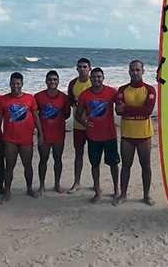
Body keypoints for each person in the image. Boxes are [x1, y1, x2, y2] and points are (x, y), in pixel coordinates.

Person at [0, 72, 44, 203]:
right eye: (13, 84)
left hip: (26, 138)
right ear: (9, 84)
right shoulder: (3, 100)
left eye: (18, 84)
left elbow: (36, 116)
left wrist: (41, 133)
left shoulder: (30, 99)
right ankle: (7, 191)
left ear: (22, 84)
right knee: (9, 166)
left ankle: (29, 188)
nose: (15, 86)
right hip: (9, 139)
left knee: (28, 165)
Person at [113, 60, 156, 207]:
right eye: (132, 70)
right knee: (126, 166)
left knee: (146, 166)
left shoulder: (150, 90)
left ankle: (146, 195)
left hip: (144, 134)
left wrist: (128, 108)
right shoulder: (122, 90)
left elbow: (148, 111)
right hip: (127, 135)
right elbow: (119, 110)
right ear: (129, 72)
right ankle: (123, 195)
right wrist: (134, 109)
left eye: (138, 70)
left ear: (143, 71)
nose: (135, 72)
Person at [75, 67, 120, 203]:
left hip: (110, 135)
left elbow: (120, 107)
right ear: (91, 78)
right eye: (94, 77)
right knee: (95, 164)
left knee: (114, 164)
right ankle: (97, 191)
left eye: (99, 77)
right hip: (93, 136)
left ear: (103, 78)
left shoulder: (112, 92)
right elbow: (78, 114)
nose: (96, 79)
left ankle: (116, 189)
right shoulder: (84, 95)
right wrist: (83, 121)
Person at [35, 70, 71, 195]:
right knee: (43, 159)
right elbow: (35, 115)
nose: (52, 82)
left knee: (58, 159)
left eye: (55, 79)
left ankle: (57, 183)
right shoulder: (38, 97)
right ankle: (41, 185)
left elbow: (66, 114)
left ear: (58, 81)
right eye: (50, 79)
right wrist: (41, 132)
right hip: (43, 134)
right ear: (46, 81)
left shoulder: (63, 98)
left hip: (58, 134)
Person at [67, 58, 92, 194]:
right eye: (80, 67)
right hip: (78, 125)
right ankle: (76, 182)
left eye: (85, 67)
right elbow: (71, 102)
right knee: (78, 154)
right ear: (77, 69)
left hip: (93, 125)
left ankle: (96, 183)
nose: (82, 69)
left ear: (90, 69)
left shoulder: (93, 82)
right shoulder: (73, 84)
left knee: (95, 155)